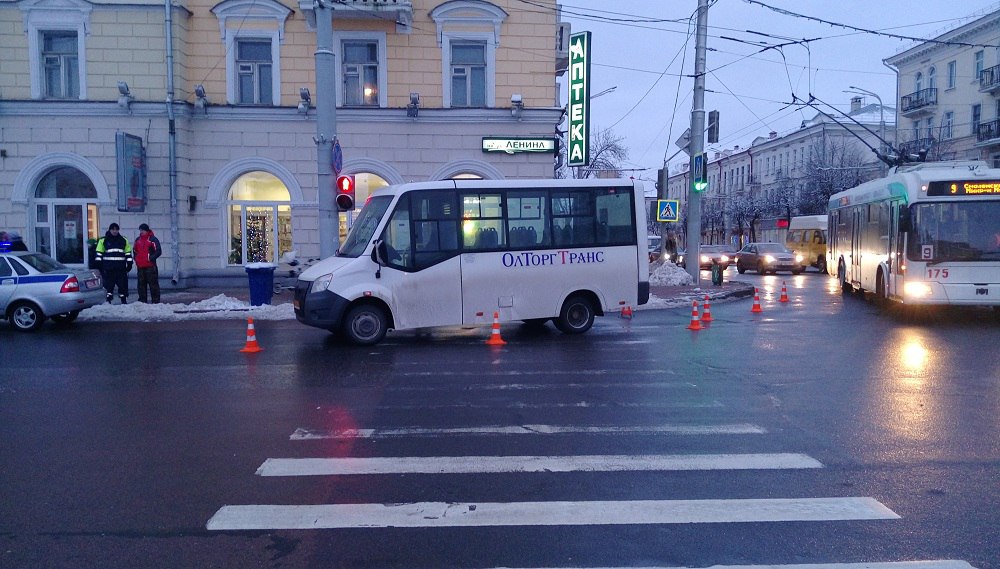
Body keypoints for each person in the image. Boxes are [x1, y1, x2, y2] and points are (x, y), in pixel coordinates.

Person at [95, 223, 133, 304]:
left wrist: (130, 264)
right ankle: (108, 301)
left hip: (121, 268)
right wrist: (99, 266)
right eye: (113, 229)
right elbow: (99, 254)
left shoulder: (123, 240)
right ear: (110, 230)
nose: (115, 231)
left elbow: (128, 254)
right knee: (108, 286)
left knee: (122, 286)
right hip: (108, 268)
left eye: (116, 229)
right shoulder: (103, 240)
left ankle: (123, 300)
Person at [133, 223, 162, 303]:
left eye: (142, 230)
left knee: (153, 286)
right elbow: (135, 251)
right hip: (140, 266)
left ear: (147, 230)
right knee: (141, 285)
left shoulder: (153, 239)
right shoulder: (138, 240)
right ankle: (142, 301)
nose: (141, 232)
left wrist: (150, 258)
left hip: (150, 266)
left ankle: (156, 302)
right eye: (140, 230)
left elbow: (158, 251)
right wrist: (136, 259)